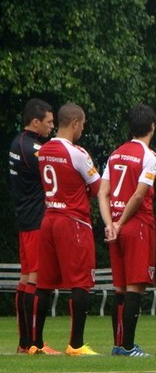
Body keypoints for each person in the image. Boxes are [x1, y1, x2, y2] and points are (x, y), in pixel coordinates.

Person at [36, 102, 102, 356]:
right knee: (81, 282)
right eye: (82, 125)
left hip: (49, 216)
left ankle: (35, 342)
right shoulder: (77, 153)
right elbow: (97, 188)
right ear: (75, 123)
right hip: (73, 220)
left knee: (44, 283)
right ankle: (76, 344)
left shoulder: (44, 150)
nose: (83, 130)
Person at [98, 104, 156, 357]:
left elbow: (102, 192)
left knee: (120, 288)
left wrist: (110, 224)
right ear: (152, 127)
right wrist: (122, 222)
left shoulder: (115, 154)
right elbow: (138, 195)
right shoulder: (150, 157)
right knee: (135, 287)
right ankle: (128, 346)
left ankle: (118, 344)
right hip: (137, 224)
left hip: (115, 224)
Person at [8, 98, 61, 355]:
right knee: (36, 279)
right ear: (36, 121)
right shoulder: (34, 149)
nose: (52, 127)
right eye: (49, 122)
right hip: (37, 219)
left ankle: (23, 343)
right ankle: (33, 343)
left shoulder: (17, 143)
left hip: (24, 218)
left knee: (26, 278)